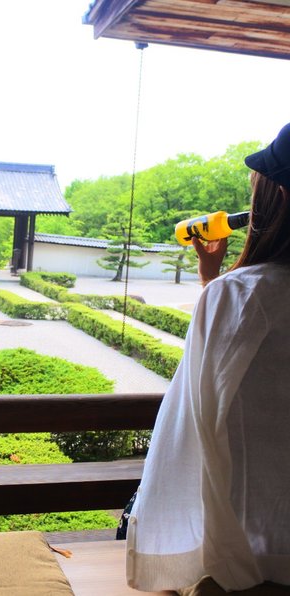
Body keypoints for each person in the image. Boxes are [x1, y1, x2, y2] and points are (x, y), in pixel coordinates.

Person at [126, 123, 290, 594]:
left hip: (250, 556)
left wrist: (215, 287)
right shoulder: (238, 294)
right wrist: (215, 283)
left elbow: (196, 418)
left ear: (275, 197)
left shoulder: (240, 294)